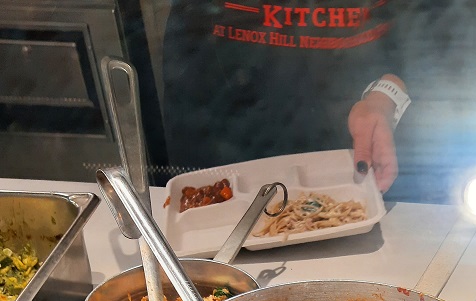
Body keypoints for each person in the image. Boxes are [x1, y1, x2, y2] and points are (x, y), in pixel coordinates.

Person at [161, 0, 409, 192]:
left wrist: (384, 97)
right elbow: (188, 83)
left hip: (351, 165)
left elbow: (423, 37)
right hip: (229, 164)